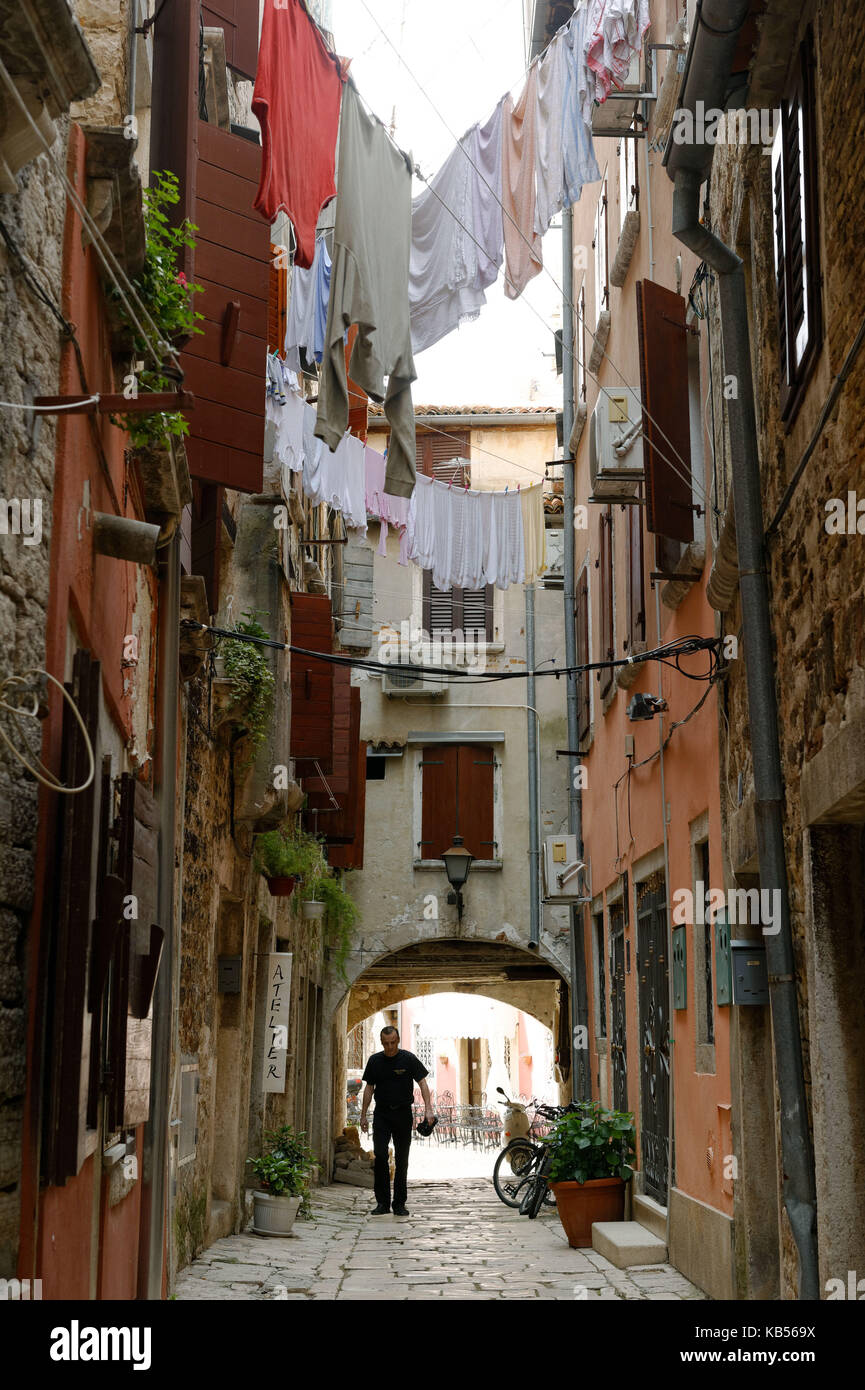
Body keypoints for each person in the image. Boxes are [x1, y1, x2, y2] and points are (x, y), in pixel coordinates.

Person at [360, 1025, 433, 1216]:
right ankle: (382, 1203)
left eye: (392, 1043)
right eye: (386, 1044)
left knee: (402, 1159)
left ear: (398, 1040)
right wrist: (363, 1114)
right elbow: (369, 1088)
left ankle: (399, 1203)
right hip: (382, 1114)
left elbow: (423, 1083)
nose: (390, 1047)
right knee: (381, 1156)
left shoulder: (408, 1059)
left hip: (402, 1114)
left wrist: (429, 1109)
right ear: (382, 1042)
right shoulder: (375, 1061)